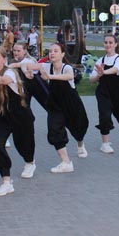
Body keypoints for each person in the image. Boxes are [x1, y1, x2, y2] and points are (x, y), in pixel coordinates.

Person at [0, 47, 36, 196]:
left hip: (20, 117)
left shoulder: (10, 72)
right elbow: (0, 94)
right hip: (1, 118)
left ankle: (30, 162)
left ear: (4, 60)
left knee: (23, 145)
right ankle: (7, 182)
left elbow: (4, 81)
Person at [27, 43, 89, 173]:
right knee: (54, 130)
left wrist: (50, 77)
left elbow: (69, 76)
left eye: (55, 51)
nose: (52, 53)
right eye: (50, 51)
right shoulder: (46, 66)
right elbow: (28, 65)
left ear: (62, 54)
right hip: (55, 105)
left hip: (71, 104)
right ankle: (66, 162)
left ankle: (80, 144)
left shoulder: (67, 68)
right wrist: (23, 68)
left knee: (79, 127)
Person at [90, 34, 119, 153]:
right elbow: (91, 79)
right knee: (104, 115)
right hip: (103, 92)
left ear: (115, 44)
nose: (108, 45)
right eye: (106, 42)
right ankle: (105, 144)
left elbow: (115, 69)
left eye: (110, 42)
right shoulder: (100, 61)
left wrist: (103, 72)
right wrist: (98, 75)